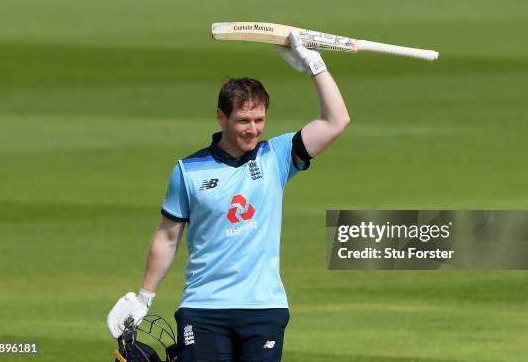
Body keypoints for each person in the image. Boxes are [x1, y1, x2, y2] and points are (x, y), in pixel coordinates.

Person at [107, 31, 350, 361]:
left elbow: (336, 121)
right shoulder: (188, 170)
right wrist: (145, 296)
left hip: (264, 307)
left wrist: (315, 66)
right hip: (204, 309)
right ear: (221, 117)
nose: (252, 129)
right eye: (243, 120)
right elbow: (167, 238)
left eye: (259, 120)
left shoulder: (276, 156)